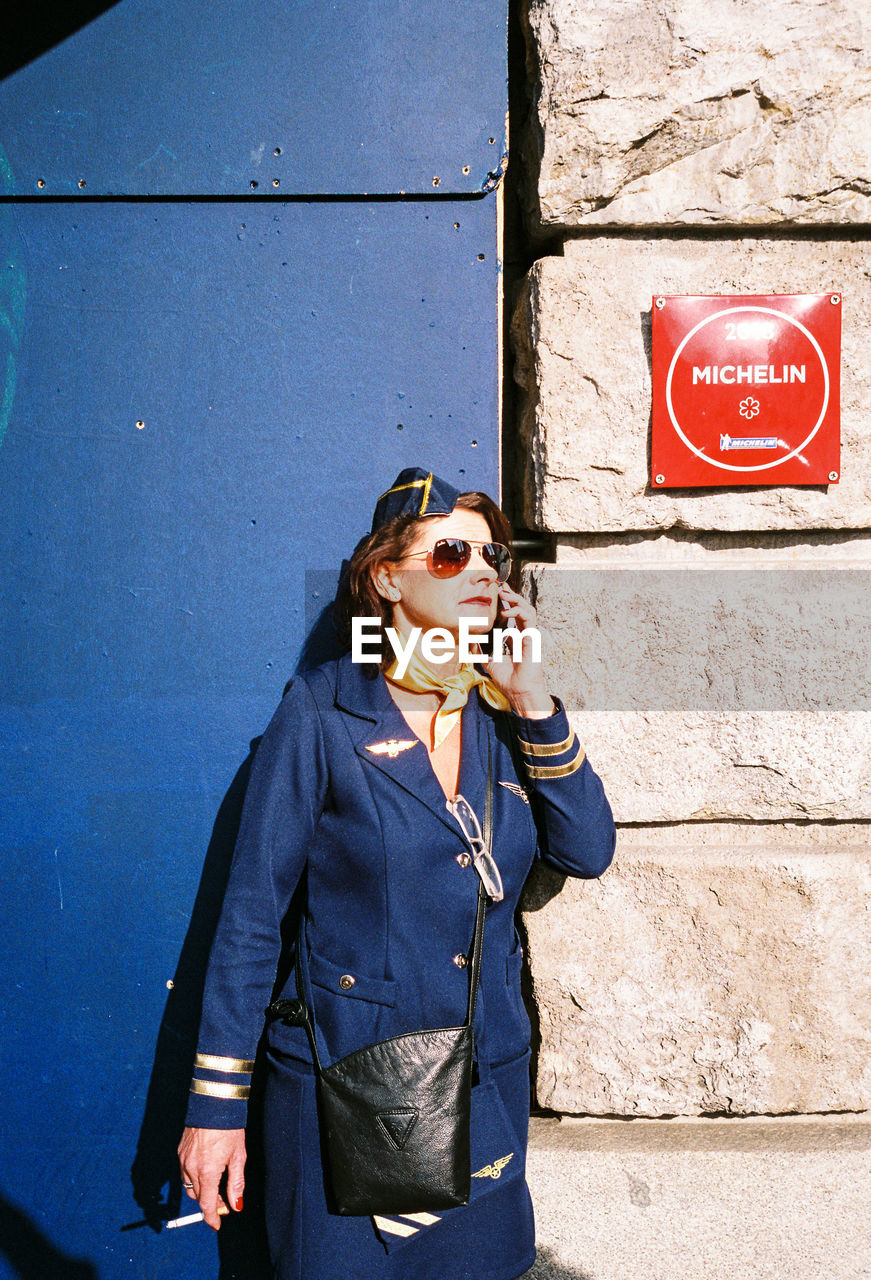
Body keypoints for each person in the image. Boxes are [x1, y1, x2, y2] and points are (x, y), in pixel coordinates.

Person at [178, 467, 616, 1280]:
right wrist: (215, 1109)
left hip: (480, 1095)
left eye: (494, 555)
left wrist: (532, 700)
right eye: (451, 554)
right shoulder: (321, 711)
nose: (483, 570)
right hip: (344, 1095)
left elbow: (586, 850)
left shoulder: (498, 713)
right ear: (386, 576)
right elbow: (250, 918)